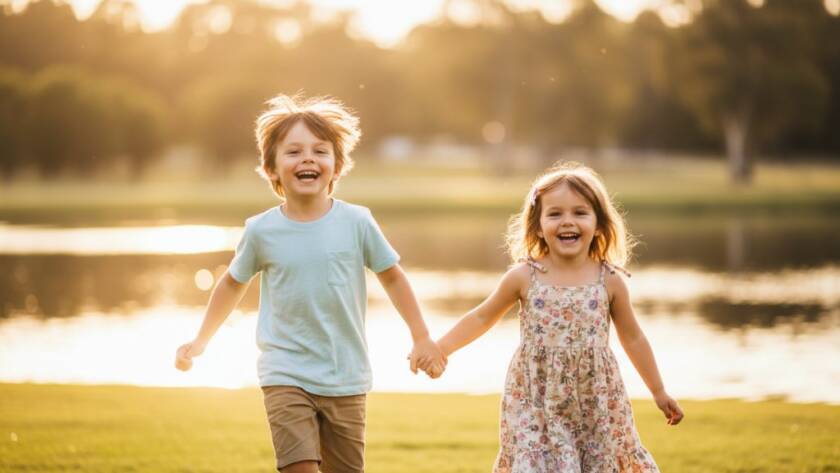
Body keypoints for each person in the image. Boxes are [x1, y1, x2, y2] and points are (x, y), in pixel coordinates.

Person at [174, 93, 446, 473]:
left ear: (336, 168)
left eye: (320, 151)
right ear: (271, 169)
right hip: (285, 371)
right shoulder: (261, 230)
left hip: (346, 376)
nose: (307, 159)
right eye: (293, 152)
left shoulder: (357, 222)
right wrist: (201, 340)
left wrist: (421, 336)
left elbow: (393, 277)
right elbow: (232, 284)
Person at [433, 161, 683, 472]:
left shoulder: (610, 280)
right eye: (555, 214)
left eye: (580, 213)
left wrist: (658, 391)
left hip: (595, 401)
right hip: (536, 399)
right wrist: (440, 348)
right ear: (538, 225)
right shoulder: (525, 276)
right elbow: (483, 317)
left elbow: (633, 337)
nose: (567, 221)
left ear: (599, 224)